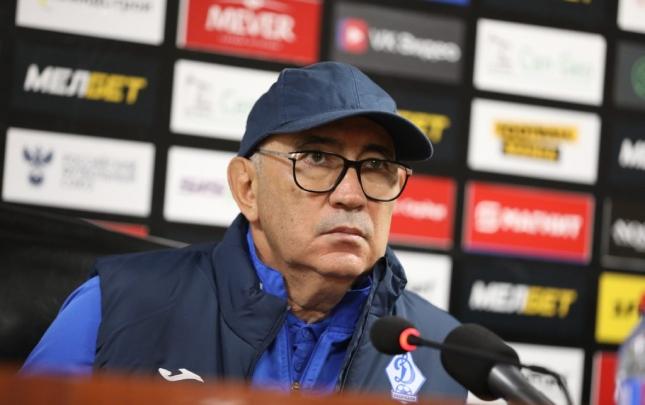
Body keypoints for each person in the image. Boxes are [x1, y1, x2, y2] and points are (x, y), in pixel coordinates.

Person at [22, 62, 467, 401]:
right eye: (316, 158)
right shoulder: (116, 305)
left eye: (376, 165)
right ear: (247, 188)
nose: (351, 195)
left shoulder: (440, 350)